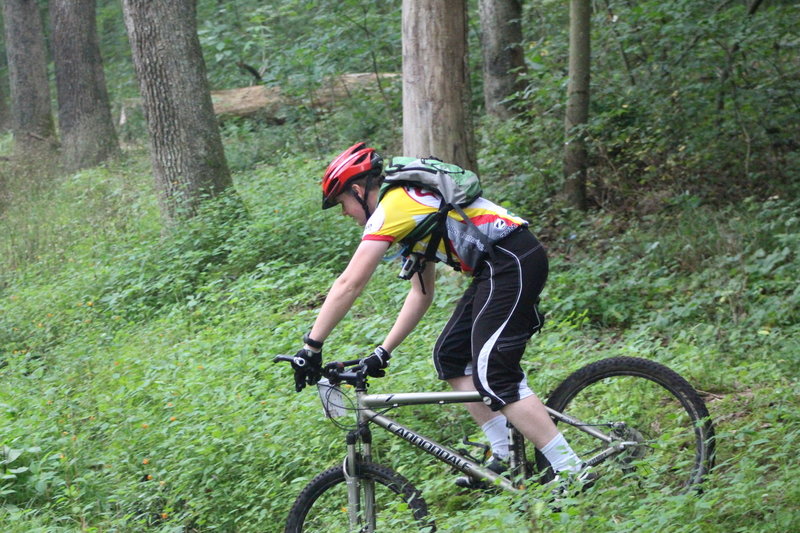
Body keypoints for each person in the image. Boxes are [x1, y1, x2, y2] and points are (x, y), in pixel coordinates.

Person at [292, 142, 594, 490]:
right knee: (451, 357)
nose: (345, 213)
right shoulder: (410, 215)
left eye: (342, 203)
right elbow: (421, 293)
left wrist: (312, 347)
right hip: (495, 267)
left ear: (357, 191)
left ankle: (572, 471)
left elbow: (350, 282)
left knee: (495, 375)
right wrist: (382, 352)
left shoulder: (393, 207)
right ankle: (505, 456)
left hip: (512, 260)